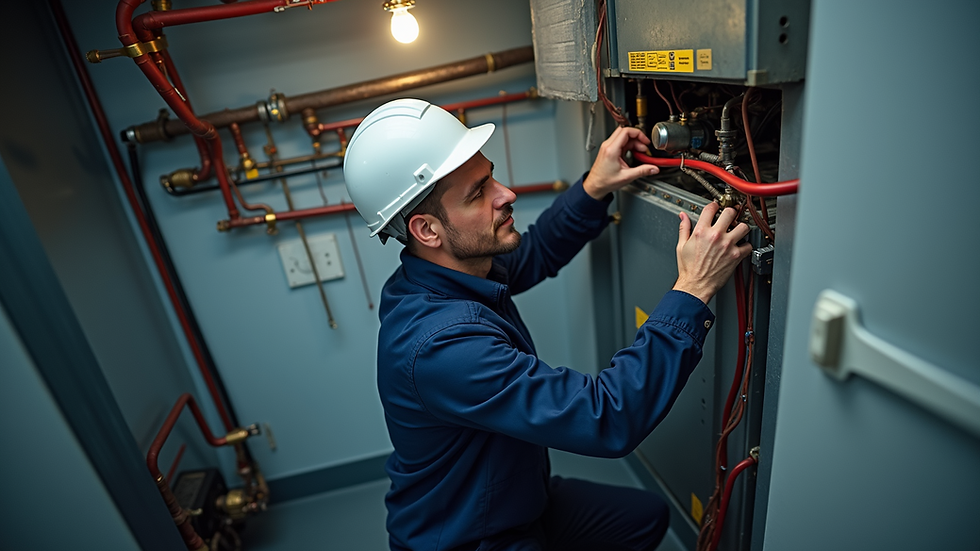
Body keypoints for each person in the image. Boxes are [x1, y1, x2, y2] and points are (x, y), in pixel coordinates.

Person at [343, 98, 751, 551]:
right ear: (427, 230)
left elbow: (532, 253)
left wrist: (594, 187)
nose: (506, 193)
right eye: (478, 193)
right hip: (470, 537)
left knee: (644, 519)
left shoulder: (448, 270)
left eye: (490, 176)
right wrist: (693, 290)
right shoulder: (441, 347)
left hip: (514, 500)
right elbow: (607, 416)